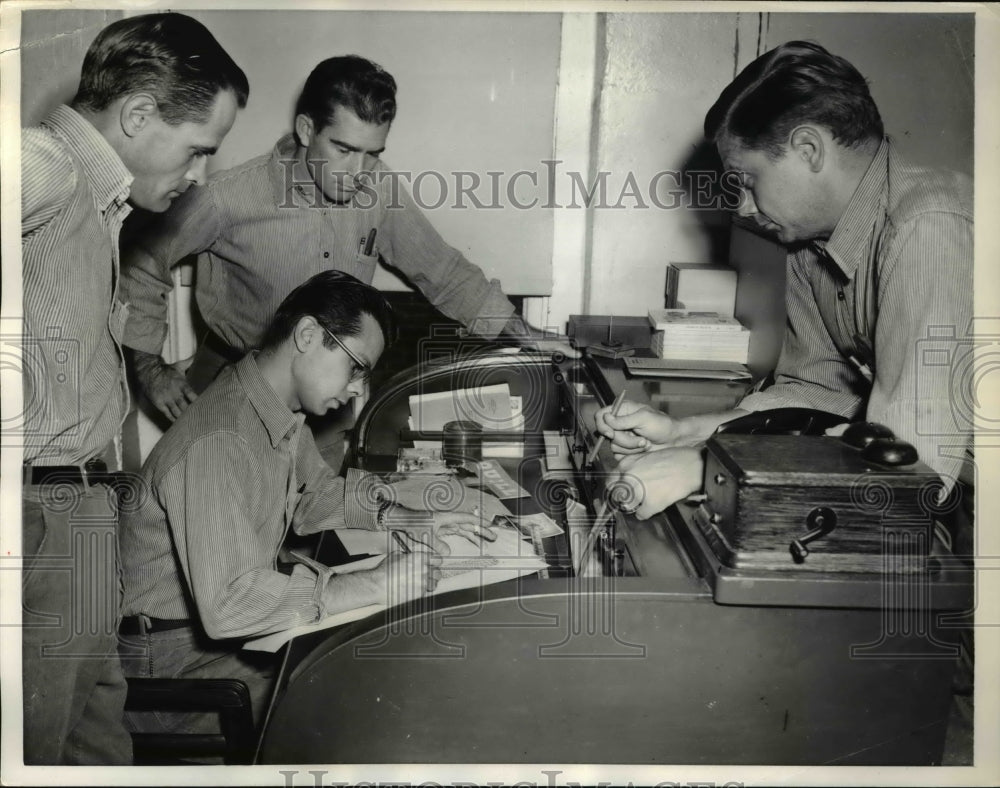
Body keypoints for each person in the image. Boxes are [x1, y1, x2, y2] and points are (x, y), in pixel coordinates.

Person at [118, 54, 571, 467]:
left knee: (314, 528)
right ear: (306, 130)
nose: (358, 173)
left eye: (373, 154)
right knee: (226, 526)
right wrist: (150, 370)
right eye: (344, 150)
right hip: (235, 384)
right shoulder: (227, 197)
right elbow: (143, 263)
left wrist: (525, 335)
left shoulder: (378, 188)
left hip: (329, 401)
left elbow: (444, 272)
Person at [595, 40, 973, 525]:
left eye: (747, 180)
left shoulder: (929, 226)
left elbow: (907, 473)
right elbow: (814, 394)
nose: (743, 208)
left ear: (808, 149)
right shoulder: (809, 242)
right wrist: (691, 433)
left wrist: (703, 467)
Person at [117, 271, 493, 736]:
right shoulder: (220, 440)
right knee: (362, 706)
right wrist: (374, 585)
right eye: (356, 367)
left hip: (201, 643)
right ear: (308, 335)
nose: (358, 388)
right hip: (173, 664)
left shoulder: (268, 405)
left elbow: (314, 499)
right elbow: (229, 604)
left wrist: (414, 518)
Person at [19, 13, 247, 765]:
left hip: (78, 506)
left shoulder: (96, 201)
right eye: (197, 151)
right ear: (140, 113)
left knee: (95, 738)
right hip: (41, 514)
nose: (198, 176)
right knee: (36, 751)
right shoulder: (46, 167)